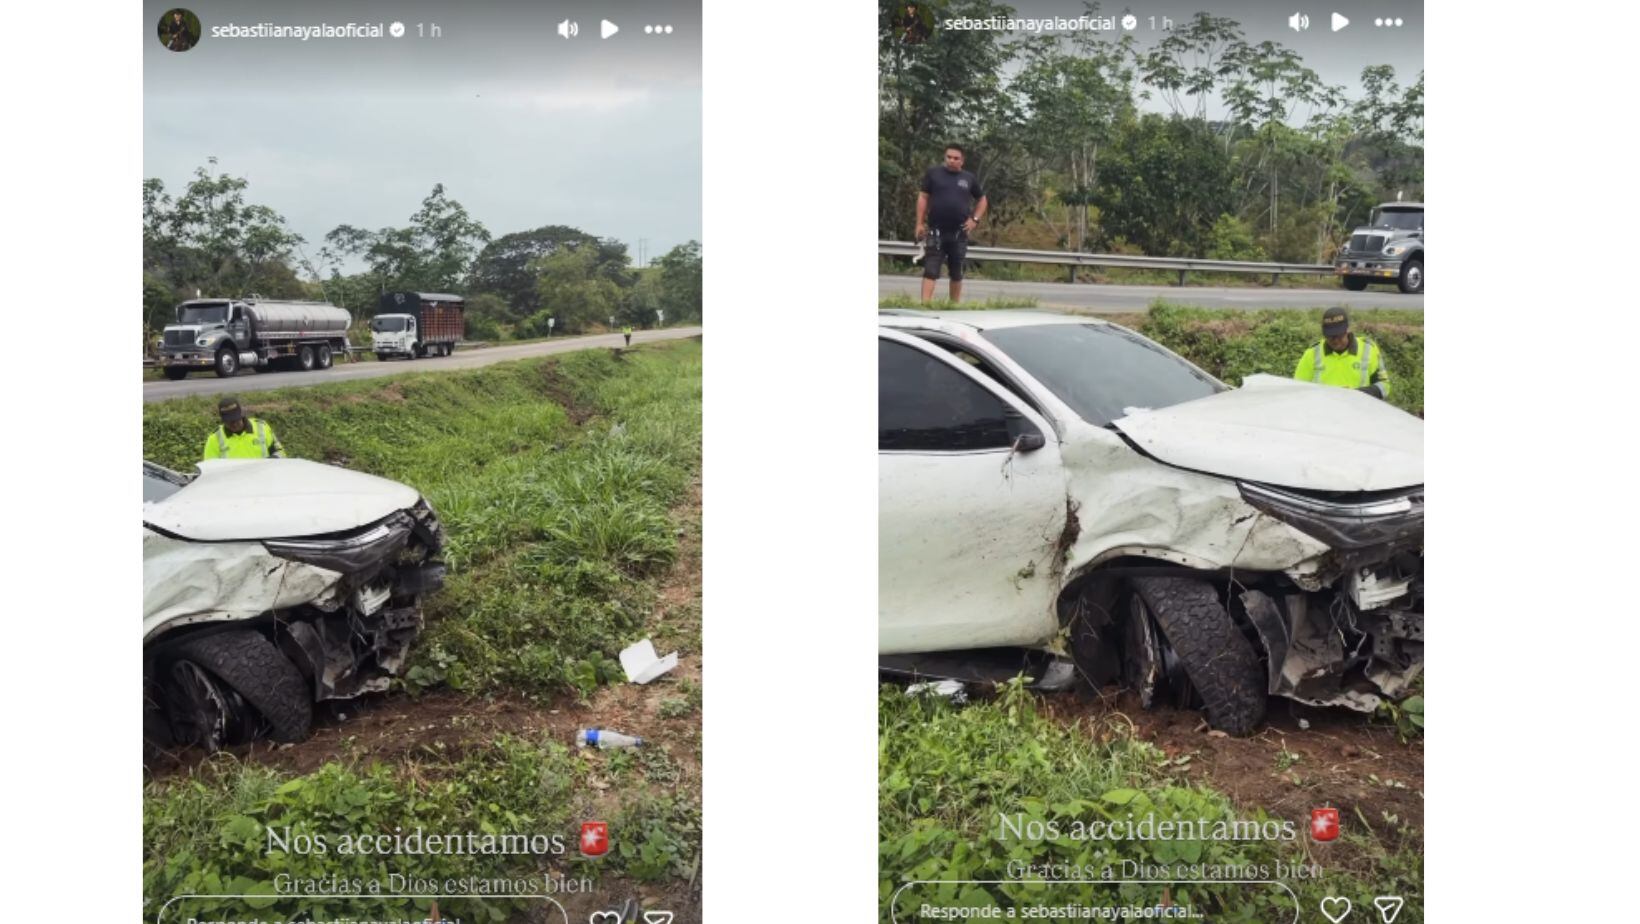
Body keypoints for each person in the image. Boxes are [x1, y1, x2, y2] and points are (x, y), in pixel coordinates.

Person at [915, 144, 987, 303]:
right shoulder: (933, 174)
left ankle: (954, 307)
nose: (951, 161)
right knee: (930, 270)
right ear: (945, 157)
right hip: (936, 231)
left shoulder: (969, 178)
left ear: (962, 160)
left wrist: (974, 219)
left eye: (956, 158)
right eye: (949, 157)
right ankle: (925, 305)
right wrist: (919, 223)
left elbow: (982, 199)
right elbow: (923, 197)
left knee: (956, 272)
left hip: (959, 232)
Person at [1292, 308, 1391, 399]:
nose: (1335, 341)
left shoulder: (1368, 349)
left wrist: (1360, 393)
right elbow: (1298, 389)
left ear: (1347, 330)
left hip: (1359, 412)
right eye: (1330, 337)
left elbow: (1385, 386)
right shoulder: (1312, 353)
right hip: (1322, 413)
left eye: (1339, 336)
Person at [203, 397, 287, 460]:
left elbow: (280, 452)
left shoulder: (262, 427)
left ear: (242, 414)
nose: (234, 424)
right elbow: (210, 468)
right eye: (229, 421)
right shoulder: (214, 439)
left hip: (263, 479)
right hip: (233, 482)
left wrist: (272, 460)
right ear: (223, 420)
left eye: (236, 419)